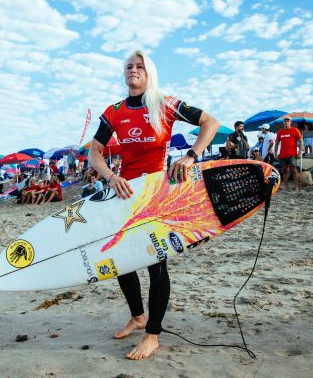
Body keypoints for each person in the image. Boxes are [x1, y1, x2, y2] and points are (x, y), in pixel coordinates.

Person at [89, 50, 219, 360]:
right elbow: (95, 152)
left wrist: (191, 155)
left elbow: (210, 123)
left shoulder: (165, 104)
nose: (133, 70)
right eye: (129, 67)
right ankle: (137, 317)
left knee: (154, 264)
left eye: (139, 66)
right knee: (120, 260)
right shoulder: (115, 111)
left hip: (157, 195)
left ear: (150, 73)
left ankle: (153, 334)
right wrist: (110, 176)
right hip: (125, 194)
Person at [274, 116, 303, 191]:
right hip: (282, 154)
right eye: (285, 121)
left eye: (288, 121)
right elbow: (276, 143)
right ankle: (286, 186)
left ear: (290, 122)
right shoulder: (280, 131)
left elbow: (301, 141)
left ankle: (296, 186)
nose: (286, 122)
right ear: (283, 122)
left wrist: (299, 152)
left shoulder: (294, 130)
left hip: (292, 154)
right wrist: (275, 153)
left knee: (294, 169)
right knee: (284, 170)